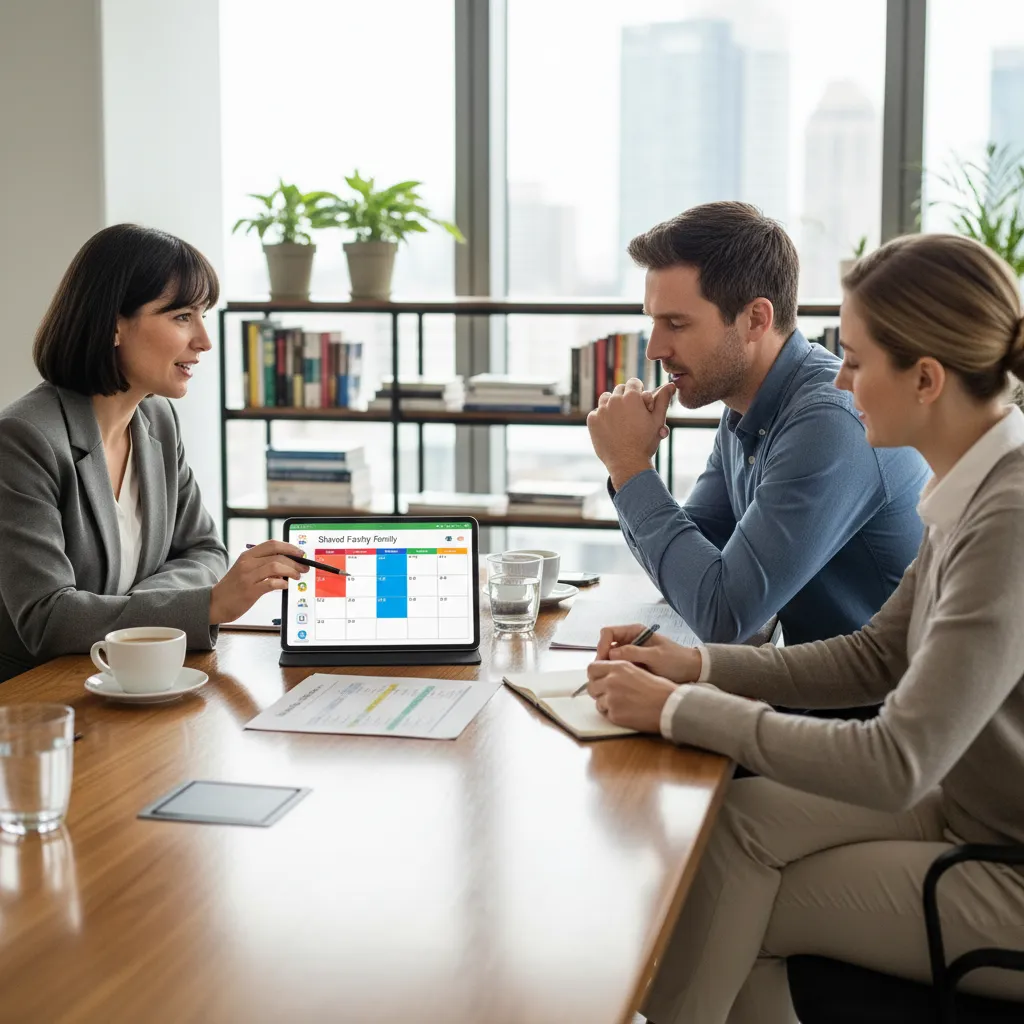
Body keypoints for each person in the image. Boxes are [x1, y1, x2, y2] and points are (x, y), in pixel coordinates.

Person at [586, 232, 1024, 1023]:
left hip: (1003, 859)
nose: (840, 379)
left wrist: (682, 709)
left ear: (925, 379)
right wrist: (698, 668)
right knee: (734, 833)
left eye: (854, 360)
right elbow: (875, 653)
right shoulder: (974, 485)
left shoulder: (1009, 516)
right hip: (964, 788)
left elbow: (898, 762)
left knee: (729, 909)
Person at [587, 201, 930, 647]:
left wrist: (630, 467)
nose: (654, 349)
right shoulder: (744, 408)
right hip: (802, 687)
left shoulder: (827, 423)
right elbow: (692, 567)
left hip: (868, 706)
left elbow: (722, 614)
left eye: (675, 324)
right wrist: (629, 470)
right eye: (653, 322)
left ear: (755, 319)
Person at [0, 224, 309, 682]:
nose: (204, 339)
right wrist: (206, 604)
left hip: (137, 678)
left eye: (202, 314)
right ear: (113, 325)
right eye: (182, 316)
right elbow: (48, 618)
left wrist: (139, 607)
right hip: (42, 699)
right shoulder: (24, 439)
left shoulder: (157, 420)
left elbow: (204, 550)